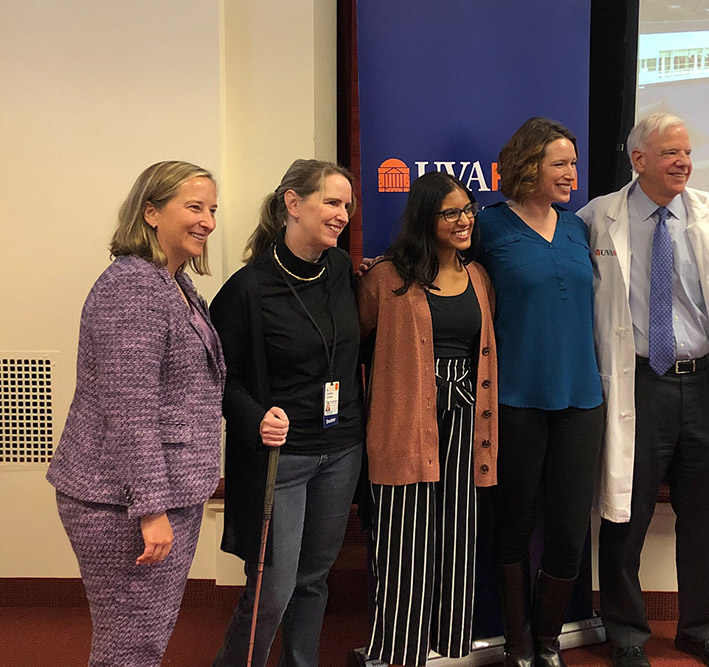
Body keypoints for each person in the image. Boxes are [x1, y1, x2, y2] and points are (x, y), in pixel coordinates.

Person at [578, 113, 709, 667]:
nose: (683, 161)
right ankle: (627, 635)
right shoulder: (597, 217)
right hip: (638, 386)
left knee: (701, 520)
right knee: (624, 516)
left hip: (700, 385)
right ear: (639, 159)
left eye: (687, 151)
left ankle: (700, 629)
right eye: (670, 152)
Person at [46, 161, 225, 666]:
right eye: (194, 207)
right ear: (150, 212)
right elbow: (131, 408)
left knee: (142, 637)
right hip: (123, 502)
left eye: (212, 210)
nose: (208, 221)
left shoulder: (173, 283)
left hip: (160, 493)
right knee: (132, 645)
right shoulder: (133, 287)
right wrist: (150, 510)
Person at [211, 159, 363, 667]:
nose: (344, 213)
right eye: (332, 202)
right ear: (293, 205)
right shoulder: (246, 289)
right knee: (273, 587)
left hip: (341, 450)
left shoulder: (341, 270)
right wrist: (256, 416)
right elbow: (219, 381)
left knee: (315, 579)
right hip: (284, 459)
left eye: (348, 204)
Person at [477, 117, 605, 667]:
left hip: (581, 399)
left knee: (570, 528)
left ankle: (548, 637)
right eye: (560, 163)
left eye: (573, 164)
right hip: (515, 401)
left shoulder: (579, 228)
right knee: (512, 525)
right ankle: (519, 642)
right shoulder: (487, 226)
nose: (571, 174)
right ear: (529, 166)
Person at [357, 171, 499, 666]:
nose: (463, 221)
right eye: (450, 213)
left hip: (466, 425)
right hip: (403, 426)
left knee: (458, 537)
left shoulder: (479, 277)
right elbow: (353, 345)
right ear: (426, 217)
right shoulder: (386, 278)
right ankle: (399, 652)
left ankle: (448, 646)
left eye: (468, 210)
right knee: (403, 544)